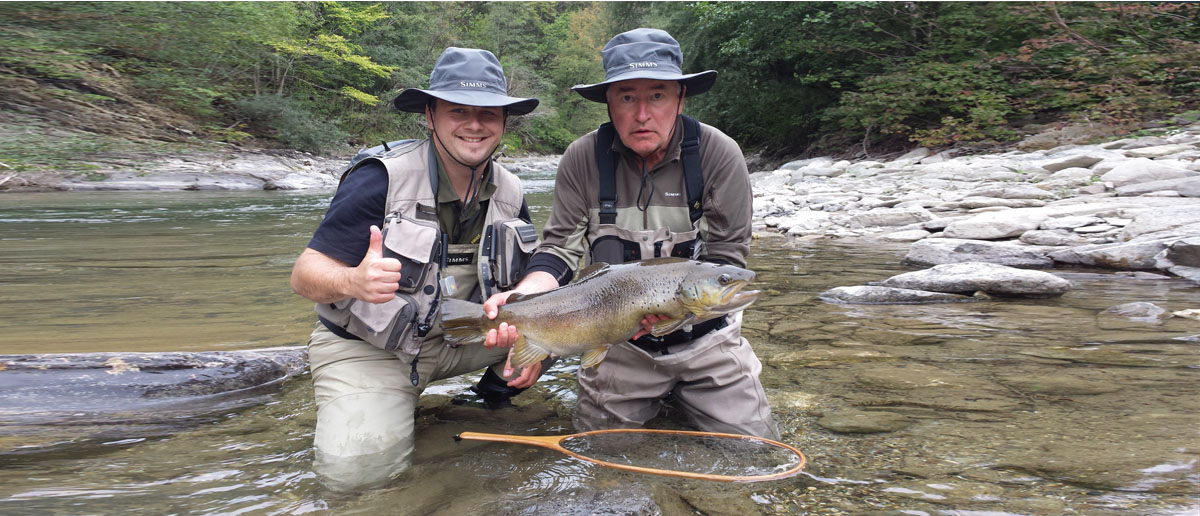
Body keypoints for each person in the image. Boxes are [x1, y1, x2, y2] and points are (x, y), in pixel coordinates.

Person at [484, 28, 779, 440]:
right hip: (621, 344)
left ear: (680, 98)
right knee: (602, 458)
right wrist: (523, 300)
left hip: (708, 343)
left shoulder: (718, 154)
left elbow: (728, 260)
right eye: (627, 97)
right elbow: (558, 252)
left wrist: (678, 316)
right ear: (609, 102)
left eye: (657, 95)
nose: (642, 114)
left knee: (753, 449)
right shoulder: (582, 158)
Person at [289, 47, 544, 492]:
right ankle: (375, 404)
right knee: (356, 479)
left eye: (489, 113)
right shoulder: (381, 177)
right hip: (371, 350)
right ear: (430, 115)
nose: (474, 124)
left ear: (504, 122)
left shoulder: (511, 189)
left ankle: (486, 402)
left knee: (566, 323)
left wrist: (532, 343)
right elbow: (304, 274)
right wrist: (352, 280)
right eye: (457, 110)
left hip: (458, 337)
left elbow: (526, 282)